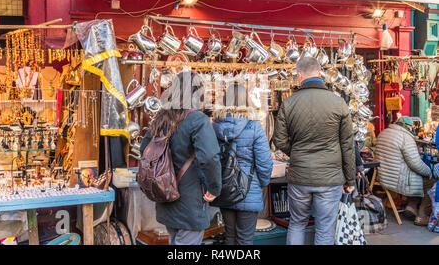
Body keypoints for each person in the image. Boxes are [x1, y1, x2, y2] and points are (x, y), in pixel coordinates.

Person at [273, 56, 356, 245]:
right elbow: (348, 145)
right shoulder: (338, 103)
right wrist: (350, 179)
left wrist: (297, 153)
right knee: (325, 228)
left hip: (300, 176)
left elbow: (279, 140)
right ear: (320, 74)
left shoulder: (289, 103)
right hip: (330, 178)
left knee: (296, 223)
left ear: (299, 75)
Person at [139, 71, 222, 245]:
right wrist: (214, 188)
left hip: (165, 195)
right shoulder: (198, 120)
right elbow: (209, 157)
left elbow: (144, 150)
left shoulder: (161, 118)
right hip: (189, 200)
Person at [211, 83, 273, 245]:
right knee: (245, 239)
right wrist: (263, 183)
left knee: (229, 237)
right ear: (246, 102)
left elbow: (211, 158)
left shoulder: (215, 126)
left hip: (224, 188)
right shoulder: (254, 127)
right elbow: (264, 162)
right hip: (249, 188)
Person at [375, 116, 434, 226]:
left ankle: (411, 206)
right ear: (408, 126)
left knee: (416, 177)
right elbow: (415, 164)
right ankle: (422, 216)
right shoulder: (405, 138)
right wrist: (429, 172)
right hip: (397, 179)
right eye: (411, 127)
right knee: (431, 182)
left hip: (384, 176)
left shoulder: (384, 132)